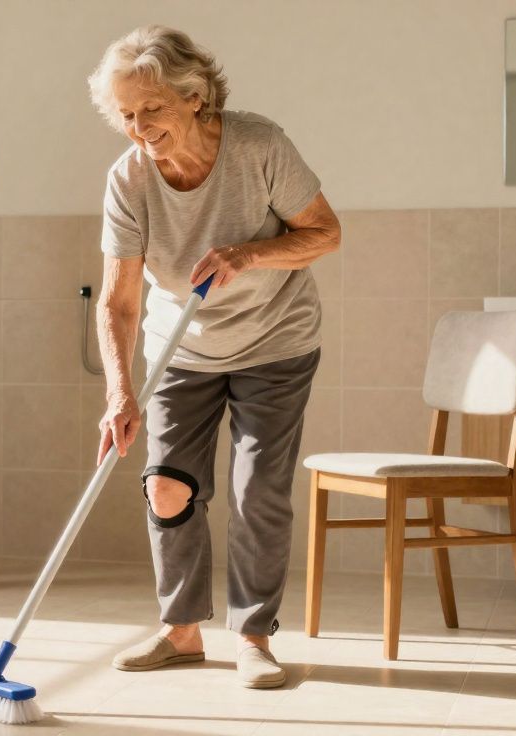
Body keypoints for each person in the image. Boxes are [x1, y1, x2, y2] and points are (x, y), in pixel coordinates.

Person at [87, 25, 342, 687]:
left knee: (256, 490)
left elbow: (325, 232)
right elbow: (117, 303)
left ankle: (254, 636)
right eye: (125, 114)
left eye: (152, 109)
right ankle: (181, 633)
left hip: (276, 340)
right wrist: (119, 391)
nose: (139, 127)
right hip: (182, 348)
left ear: (194, 96)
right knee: (166, 486)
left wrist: (248, 253)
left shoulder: (258, 145)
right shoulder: (129, 179)